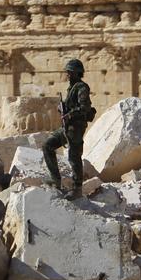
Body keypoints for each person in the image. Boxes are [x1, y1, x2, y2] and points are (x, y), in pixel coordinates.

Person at [42, 58, 95, 201]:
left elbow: (85, 107)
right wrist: (63, 107)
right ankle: (55, 180)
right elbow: (71, 105)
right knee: (48, 145)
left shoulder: (82, 88)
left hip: (76, 126)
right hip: (67, 126)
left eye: (71, 72)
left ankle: (77, 188)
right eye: (68, 72)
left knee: (74, 155)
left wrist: (70, 113)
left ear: (78, 73)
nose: (68, 75)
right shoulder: (71, 88)